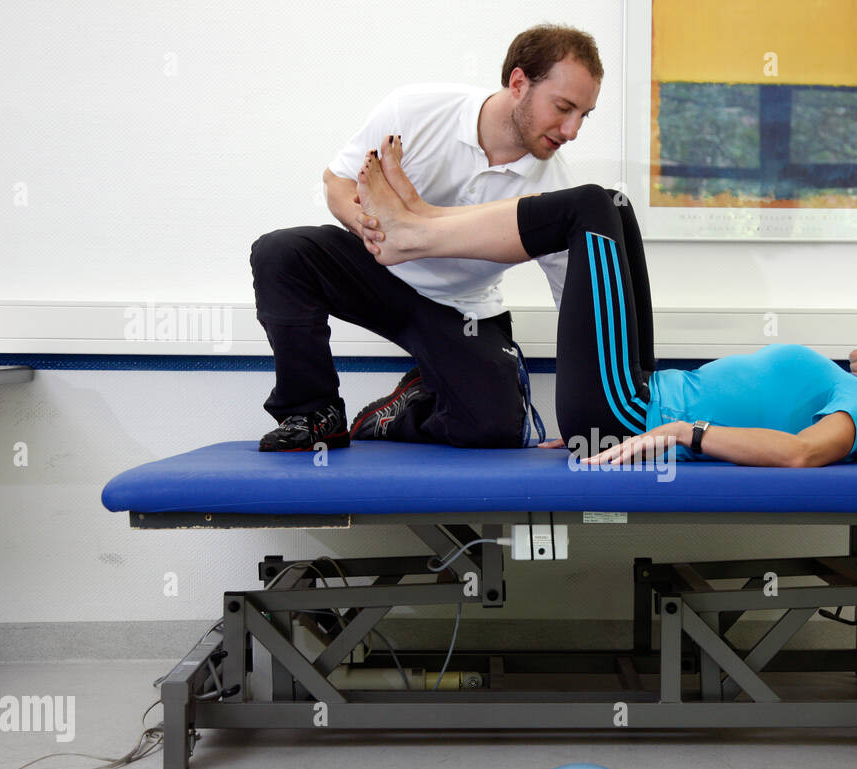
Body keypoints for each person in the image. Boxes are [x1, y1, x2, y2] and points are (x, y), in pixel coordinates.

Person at [354, 143, 857, 467]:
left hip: (631, 409)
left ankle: (417, 228)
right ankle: (421, 223)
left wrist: (681, 431)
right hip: (629, 399)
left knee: (591, 208)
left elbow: (803, 455)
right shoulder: (848, 385)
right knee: (614, 206)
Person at [249, 24, 603, 451]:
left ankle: (410, 403)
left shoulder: (557, 192)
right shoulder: (415, 110)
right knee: (281, 253)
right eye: (563, 107)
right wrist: (362, 221)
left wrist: (592, 418)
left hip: (463, 309)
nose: (571, 131)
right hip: (378, 272)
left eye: (583, 115)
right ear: (518, 82)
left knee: (495, 428)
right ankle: (313, 414)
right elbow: (337, 182)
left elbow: (578, 308)